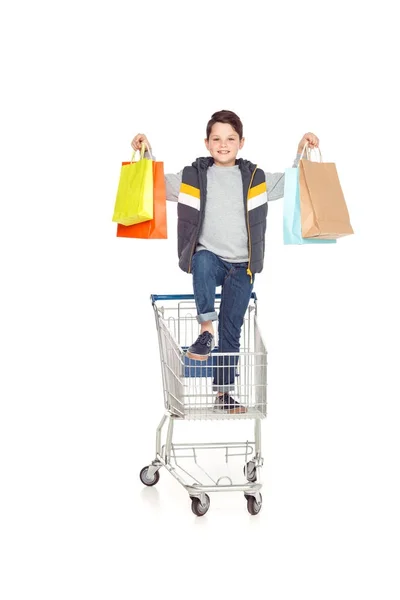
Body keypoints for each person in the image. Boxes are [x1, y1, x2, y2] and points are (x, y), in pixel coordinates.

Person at [131, 110, 319, 414]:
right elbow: (156, 184)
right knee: (202, 260)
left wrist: (301, 152)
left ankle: (223, 394)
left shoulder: (255, 178)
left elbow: (290, 184)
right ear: (206, 143)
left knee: (232, 329)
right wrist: (146, 152)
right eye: (216, 139)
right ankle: (206, 331)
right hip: (212, 259)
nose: (223, 144)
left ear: (241, 142)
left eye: (230, 138)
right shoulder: (193, 177)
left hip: (243, 266)